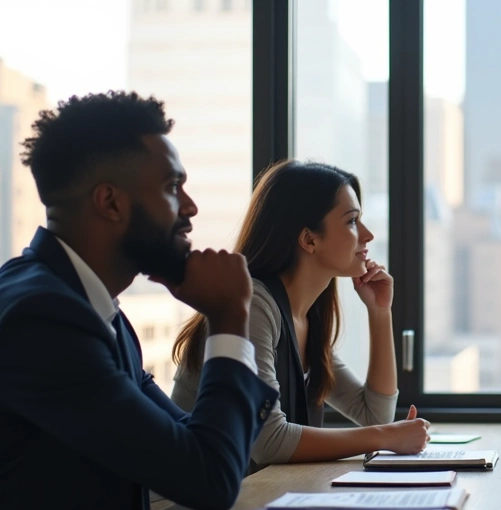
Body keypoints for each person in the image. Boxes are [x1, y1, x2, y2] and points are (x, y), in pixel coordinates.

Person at [0, 91, 276, 510]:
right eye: (171, 187)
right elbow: (208, 477)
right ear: (110, 203)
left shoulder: (94, 312)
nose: (190, 208)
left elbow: (194, 446)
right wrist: (231, 317)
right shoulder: (38, 319)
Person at [171, 160, 429, 472]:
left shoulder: (305, 319)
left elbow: (375, 415)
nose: (368, 235)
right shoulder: (253, 305)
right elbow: (269, 441)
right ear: (309, 240)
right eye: (352, 222)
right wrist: (384, 437)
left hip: (243, 498)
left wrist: (379, 312)